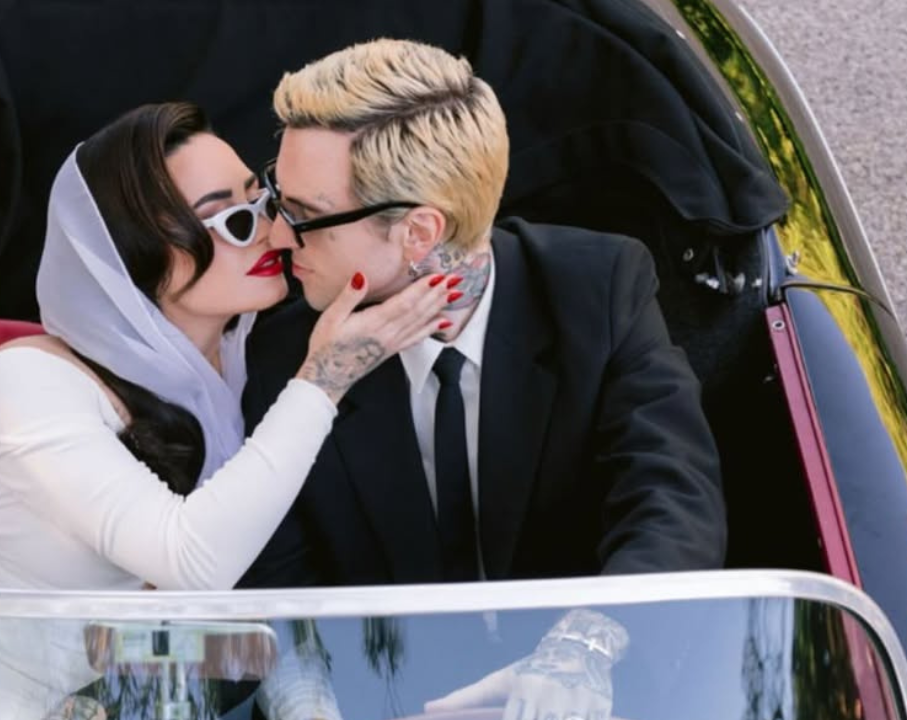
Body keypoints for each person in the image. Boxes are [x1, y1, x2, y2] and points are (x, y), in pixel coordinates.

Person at [0, 102, 455, 720]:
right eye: (233, 221)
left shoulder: (254, 362)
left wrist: (310, 706)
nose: (273, 232)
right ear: (141, 253)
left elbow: (262, 614)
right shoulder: (27, 381)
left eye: (263, 202)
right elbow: (191, 562)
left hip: (140, 695)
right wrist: (325, 379)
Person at [237, 39, 728, 720]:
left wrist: (582, 652)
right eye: (276, 199)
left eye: (306, 217)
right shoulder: (286, 350)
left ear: (419, 232)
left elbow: (672, 495)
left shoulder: (597, 288)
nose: (276, 237)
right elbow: (281, 586)